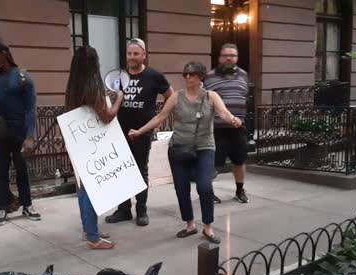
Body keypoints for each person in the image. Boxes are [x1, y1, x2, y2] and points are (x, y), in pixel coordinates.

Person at [128, 62, 242, 243]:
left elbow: (224, 113)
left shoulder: (211, 97)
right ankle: (190, 224)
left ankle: (208, 227)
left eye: (192, 74)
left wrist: (233, 120)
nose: (188, 77)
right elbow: (160, 117)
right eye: (185, 74)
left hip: (204, 147)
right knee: (181, 190)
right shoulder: (177, 97)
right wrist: (140, 131)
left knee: (204, 186)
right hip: (179, 148)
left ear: (200, 76)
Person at [105, 38, 173, 227]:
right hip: (119, 132)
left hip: (142, 132)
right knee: (121, 171)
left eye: (136, 53)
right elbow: (111, 99)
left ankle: (141, 210)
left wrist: (160, 118)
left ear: (144, 55)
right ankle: (123, 209)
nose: (132, 57)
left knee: (141, 170)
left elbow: (171, 97)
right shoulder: (119, 76)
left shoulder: (154, 76)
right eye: (129, 53)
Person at [65, 46, 123, 250]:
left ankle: (89, 230)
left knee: (83, 188)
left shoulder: (74, 86)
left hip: (79, 143)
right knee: (91, 189)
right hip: (93, 145)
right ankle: (93, 238)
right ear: (94, 65)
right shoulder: (92, 87)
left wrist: (103, 98)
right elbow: (107, 116)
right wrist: (118, 101)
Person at [0, 37, 41, 226]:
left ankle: (27, 205)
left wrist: (30, 136)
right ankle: (2, 208)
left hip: (19, 130)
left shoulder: (22, 77)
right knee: (1, 170)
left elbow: (31, 108)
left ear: (4, 53)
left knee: (22, 169)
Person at [203, 43, 250, 204]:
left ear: (236, 58)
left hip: (238, 128)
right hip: (216, 128)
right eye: (225, 55)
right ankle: (208, 192)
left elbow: (244, 96)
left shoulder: (244, 75)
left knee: (240, 160)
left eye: (232, 55)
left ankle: (239, 190)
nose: (229, 58)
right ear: (219, 58)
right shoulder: (209, 77)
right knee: (212, 163)